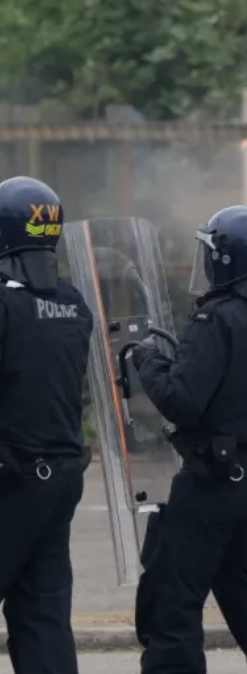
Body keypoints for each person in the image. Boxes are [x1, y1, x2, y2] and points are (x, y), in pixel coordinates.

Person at [131, 205, 247, 674]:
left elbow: (182, 401)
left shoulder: (217, 321)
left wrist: (147, 360)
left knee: (172, 606)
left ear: (229, 259)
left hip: (211, 486)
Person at [0, 177, 94, 674]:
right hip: (60, 477)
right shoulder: (73, 302)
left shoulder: (5, 302)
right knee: (42, 615)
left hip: (11, 477)